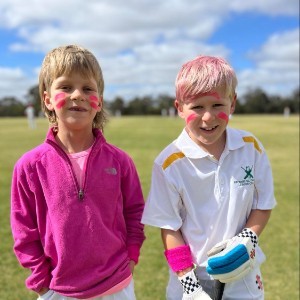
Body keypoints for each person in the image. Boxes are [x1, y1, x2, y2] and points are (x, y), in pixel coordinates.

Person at [11, 45, 145, 300]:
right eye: (65, 87)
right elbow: (23, 230)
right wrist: (41, 280)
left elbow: (135, 213)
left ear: (99, 100)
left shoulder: (120, 161)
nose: (77, 95)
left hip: (117, 285)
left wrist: (131, 256)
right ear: (47, 99)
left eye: (87, 88)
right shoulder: (29, 166)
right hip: (58, 290)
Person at [142, 55, 276, 299]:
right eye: (197, 107)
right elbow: (170, 229)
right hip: (191, 278)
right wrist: (189, 283)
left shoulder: (251, 147)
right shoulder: (169, 163)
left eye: (217, 106)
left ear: (232, 103)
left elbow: (263, 204)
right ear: (180, 108)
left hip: (243, 271)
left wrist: (247, 239)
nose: (208, 117)